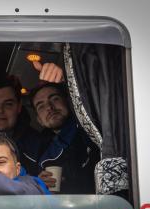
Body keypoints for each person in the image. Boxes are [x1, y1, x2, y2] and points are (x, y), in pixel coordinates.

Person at [29, 61, 100, 194]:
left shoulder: (91, 125)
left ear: (68, 101)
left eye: (54, 99)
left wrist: (66, 80)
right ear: (39, 120)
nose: (50, 107)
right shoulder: (42, 152)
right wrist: (40, 185)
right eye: (41, 106)